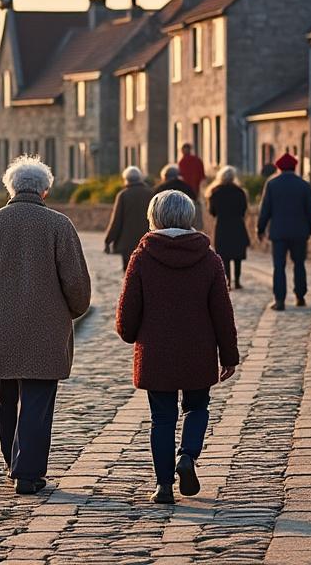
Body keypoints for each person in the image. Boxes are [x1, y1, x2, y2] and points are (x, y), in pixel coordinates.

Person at [0, 156, 92, 496]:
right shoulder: (59, 226)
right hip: (45, 331)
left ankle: (11, 463)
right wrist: (75, 309)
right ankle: (26, 473)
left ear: (10, 189)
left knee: (5, 401)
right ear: (45, 190)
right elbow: (75, 282)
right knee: (37, 403)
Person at [115, 190, 240, 505]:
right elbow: (222, 312)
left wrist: (128, 333)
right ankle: (187, 456)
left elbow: (127, 312)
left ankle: (163, 486)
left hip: (156, 352)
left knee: (162, 417)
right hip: (198, 350)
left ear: (154, 217)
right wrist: (229, 355)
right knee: (197, 407)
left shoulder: (142, 257)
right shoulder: (209, 259)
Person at [257, 153, 311, 311]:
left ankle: (280, 300)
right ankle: (300, 296)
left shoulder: (272, 184)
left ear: (279, 167)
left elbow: (265, 210)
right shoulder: (304, 185)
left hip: (279, 232)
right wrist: (310, 228)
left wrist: (260, 229)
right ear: (295, 167)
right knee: (299, 264)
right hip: (299, 232)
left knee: (279, 266)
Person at [207, 166, 251, 289]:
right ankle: (237, 281)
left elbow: (212, 211)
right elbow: (243, 210)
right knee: (237, 256)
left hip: (222, 226)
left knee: (225, 256)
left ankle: (228, 282)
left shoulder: (215, 192)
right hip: (237, 225)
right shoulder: (240, 192)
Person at [104, 166, 153, 270]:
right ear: (140, 178)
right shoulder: (150, 193)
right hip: (147, 242)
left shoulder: (123, 195)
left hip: (127, 244)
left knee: (129, 271)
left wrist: (108, 240)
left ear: (126, 179)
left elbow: (116, 221)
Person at [156, 164, 202, 230]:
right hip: (187, 228)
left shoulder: (160, 189)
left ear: (164, 177)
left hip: (164, 230)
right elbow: (195, 204)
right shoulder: (187, 187)